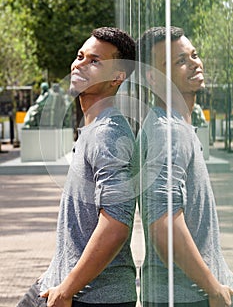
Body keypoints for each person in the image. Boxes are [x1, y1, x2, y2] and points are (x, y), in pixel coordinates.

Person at [17, 27, 137, 307]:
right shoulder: (94, 127)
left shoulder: (109, 133)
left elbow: (116, 224)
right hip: (62, 284)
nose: (79, 64)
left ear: (117, 77)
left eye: (95, 61)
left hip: (90, 297)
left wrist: (66, 289)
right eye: (80, 56)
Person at [137, 26, 233, 307]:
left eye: (193, 55)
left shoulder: (175, 126)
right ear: (153, 78)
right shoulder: (168, 131)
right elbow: (162, 223)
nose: (194, 63)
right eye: (180, 61)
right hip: (187, 298)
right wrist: (213, 289)